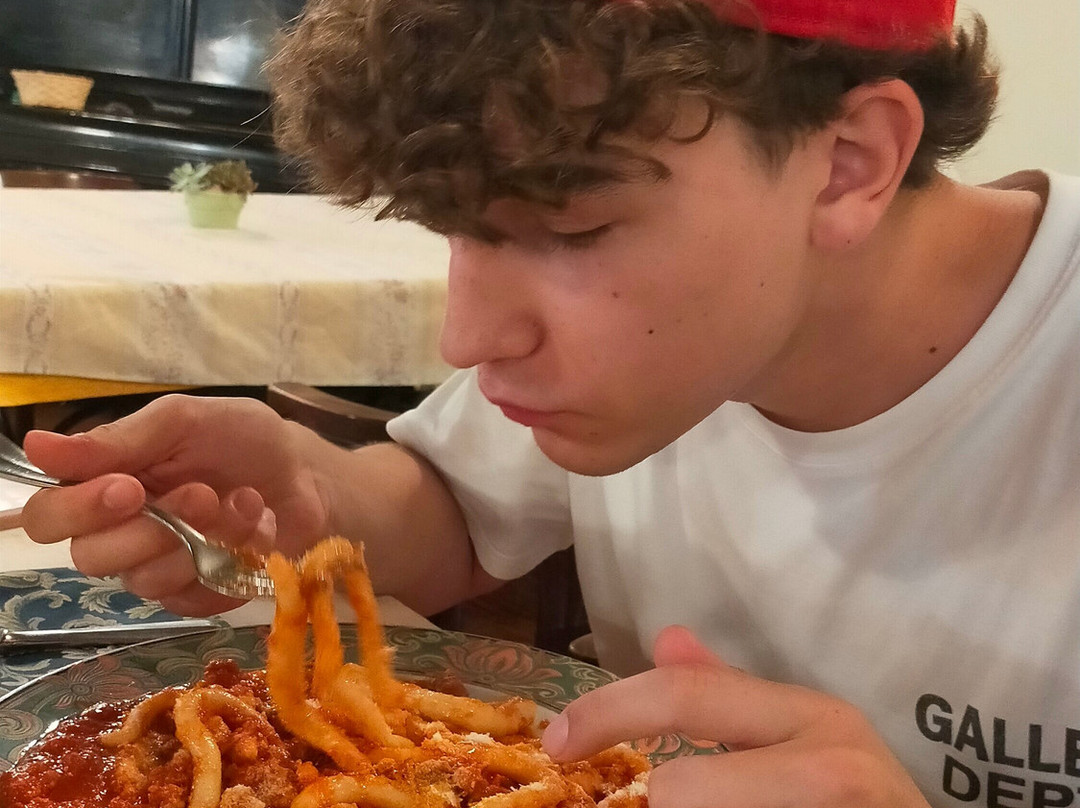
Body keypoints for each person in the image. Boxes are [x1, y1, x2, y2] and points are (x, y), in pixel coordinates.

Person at [19, 0, 1080, 804]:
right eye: (456, 229)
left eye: (569, 231)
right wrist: (316, 493)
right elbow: (454, 509)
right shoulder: (675, 343)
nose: (467, 338)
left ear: (850, 164)